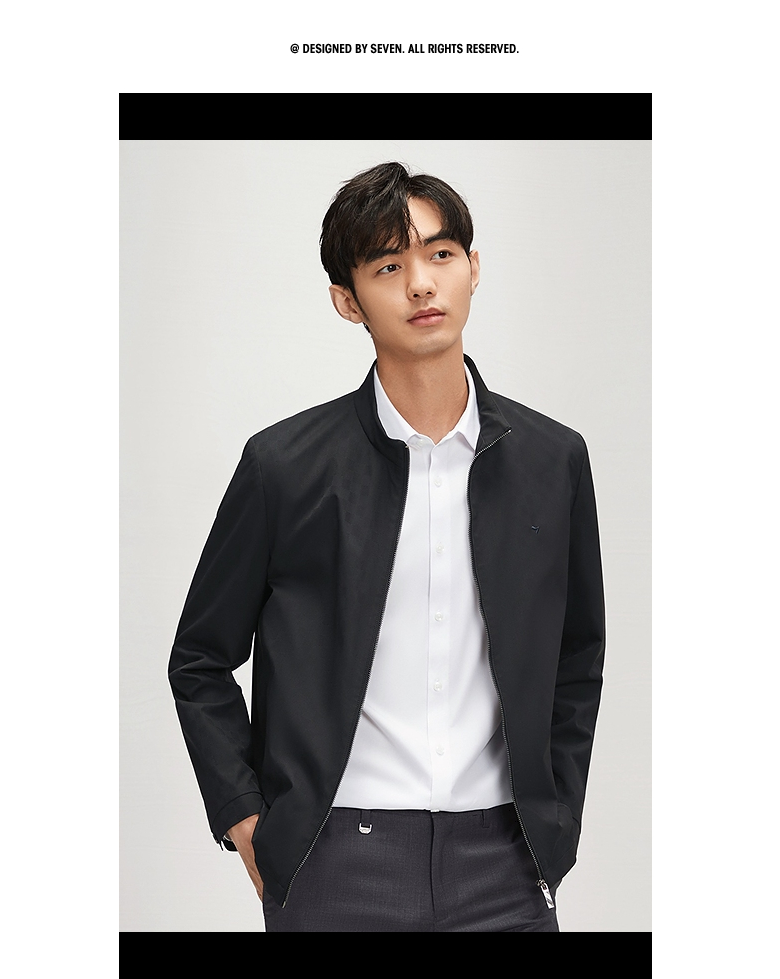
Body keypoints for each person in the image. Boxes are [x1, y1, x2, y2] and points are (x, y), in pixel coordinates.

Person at [168, 161, 605, 932]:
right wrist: (245, 813)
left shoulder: (553, 458)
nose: (422, 284)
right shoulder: (284, 466)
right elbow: (200, 656)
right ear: (348, 300)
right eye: (389, 266)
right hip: (335, 860)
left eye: (440, 254)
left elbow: (578, 653)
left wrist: (556, 821)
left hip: (505, 863)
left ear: (474, 267)